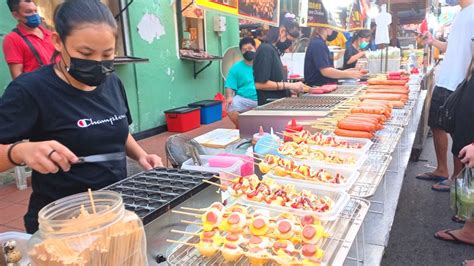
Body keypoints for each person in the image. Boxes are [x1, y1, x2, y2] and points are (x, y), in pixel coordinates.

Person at [0, 0, 163, 234]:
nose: (98, 63)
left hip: (115, 209)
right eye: (85, 53)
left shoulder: (112, 82)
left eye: (107, 53)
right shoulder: (30, 89)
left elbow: (117, 127)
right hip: (63, 221)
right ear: (58, 42)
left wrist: (141, 155)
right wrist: (18, 152)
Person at [416, 0, 474, 192]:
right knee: (436, 124)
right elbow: (452, 47)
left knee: (459, 132)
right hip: (445, 80)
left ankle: (456, 178)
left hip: (459, 82)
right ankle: (441, 169)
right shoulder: (461, 13)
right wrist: (433, 41)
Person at [253, 18, 304, 106]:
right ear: (282, 31)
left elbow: (275, 80)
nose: (290, 44)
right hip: (269, 107)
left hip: (277, 104)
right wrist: (288, 85)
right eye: (290, 40)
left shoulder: (274, 51)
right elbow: (259, 84)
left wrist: (288, 90)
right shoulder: (266, 50)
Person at [3, 0, 56, 79]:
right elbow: (17, 78)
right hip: (37, 88)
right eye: (28, 12)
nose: (34, 15)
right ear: (16, 15)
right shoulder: (13, 39)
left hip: (59, 85)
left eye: (35, 11)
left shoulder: (49, 33)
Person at [225, 37, 258, 128]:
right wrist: (229, 97)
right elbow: (229, 85)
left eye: (250, 48)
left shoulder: (262, 64)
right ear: (241, 52)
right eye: (244, 50)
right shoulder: (236, 68)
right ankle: (244, 128)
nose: (247, 51)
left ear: (255, 48)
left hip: (261, 97)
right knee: (230, 106)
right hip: (244, 98)